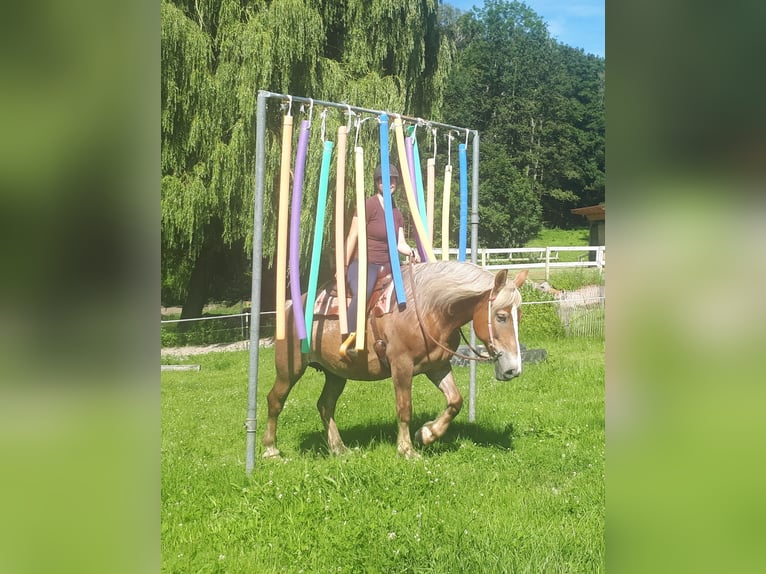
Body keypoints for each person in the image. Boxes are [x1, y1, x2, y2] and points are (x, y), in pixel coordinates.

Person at [339, 163, 420, 358]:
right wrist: (342, 266)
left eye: (393, 180)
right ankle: (349, 338)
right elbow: (352, 237)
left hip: (389, 265)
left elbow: (400, 243)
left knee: (411, 290)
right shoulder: (368, 205)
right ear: (378, 183)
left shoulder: (397, 213)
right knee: (363, 291)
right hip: (365, 263)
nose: (390, 183)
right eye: (385, 179)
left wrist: (411, 252)